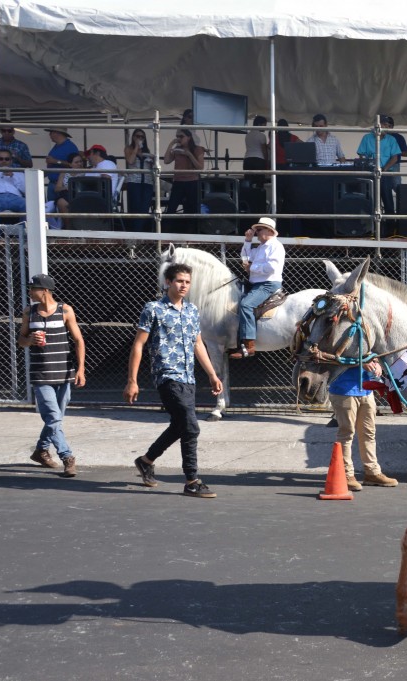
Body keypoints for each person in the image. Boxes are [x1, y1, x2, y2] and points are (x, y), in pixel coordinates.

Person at [124, 262, 223, 498]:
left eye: (187, 282)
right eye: (179, 281)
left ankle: (146, 461)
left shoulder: (192, 311)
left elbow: (198, 344)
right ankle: (192, 480)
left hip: (189, 378)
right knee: (191, 426)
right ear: (168, 282)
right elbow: (139, 344)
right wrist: (132, 380)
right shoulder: (153, 309)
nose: (184, 286)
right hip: (166, 376)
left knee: (180, 425)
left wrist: (212, 374)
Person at [18, 273, 86, 477]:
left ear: (45, 290)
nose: (30, 292)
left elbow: (78, 340)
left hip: (64, 374)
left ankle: (41, 450)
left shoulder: (65, 310)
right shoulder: (29, 312)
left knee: (55, 419)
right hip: (41, 375)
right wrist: (31, 340)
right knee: (54, 417)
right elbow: (21, 340)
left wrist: (81, 369)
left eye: (33, 288)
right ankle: (67, 456)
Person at [328, 359, 398, 490]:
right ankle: (346, 475)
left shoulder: (367, 338)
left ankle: (372, 473)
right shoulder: (339, 339)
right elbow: (333, 359)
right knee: (346, 434)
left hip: (366, 390)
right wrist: (360, 363)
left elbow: (375, 355)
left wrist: (378, 364)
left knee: (369, 433)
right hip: (344, 391)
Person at [230, 217, 284, 359]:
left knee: (246, 304)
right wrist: (247, 240)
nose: (257, 233)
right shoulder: (261, 247)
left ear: (269, 231)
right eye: (257, 230)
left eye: (259, 229)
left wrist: (252, 267)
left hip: (268, 284)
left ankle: (249, 346)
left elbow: (272, 267)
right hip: (257, 283)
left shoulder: (276, 246)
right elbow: (244, 257)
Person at [357, 115, 402, 224]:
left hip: (385, 174)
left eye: (388, 125)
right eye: (384, 124)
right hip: (370, 173)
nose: (386, 127)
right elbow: (361, 154)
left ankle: (391, 228)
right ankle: (369, 228)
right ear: (377, 125)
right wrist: (367, 165)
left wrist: (384, 169)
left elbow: (395, 157)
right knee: (369, 201)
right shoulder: (367, 137)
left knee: (388, 201)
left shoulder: (392, 139)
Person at [163, 129, 205, 232]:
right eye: (177, 136)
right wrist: (171, 144)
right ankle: (166, 232)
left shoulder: (197, 149)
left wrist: (189, 155)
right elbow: (166, 160)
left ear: (189, 137)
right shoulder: (177, 149)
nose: (178, 139)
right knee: (172, 207)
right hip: (178, 182)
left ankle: (191, 234)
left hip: (192, 182)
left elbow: (200, 167)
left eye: (181, 136)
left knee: (191, 209)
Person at [124, 128, 155, 230]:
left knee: (144, 208)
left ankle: (141, 233)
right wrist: (136, 147)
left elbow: (152, 168)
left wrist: (152, 161)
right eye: (138, 136)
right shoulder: (128, 149)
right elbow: (130, 161)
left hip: (147, 182)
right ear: (133, 137)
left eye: (142, 137)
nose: (140, 138)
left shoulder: (147, 151)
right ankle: (135, 234)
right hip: (134, 182)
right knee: (135, 208)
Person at [47, 153, 86, 229]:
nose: (80, 164)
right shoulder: (64, 172)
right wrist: (67, 187)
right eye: (76, 162)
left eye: (81, 161)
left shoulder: (86, 172)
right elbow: (57, 188)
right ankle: (68, 228)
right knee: (61, 202)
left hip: (81, 196)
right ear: (70, 164)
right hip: (67, 195)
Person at [44, 127, 80, 199]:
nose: (49, 135)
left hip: (63, 186)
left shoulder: (70, 147)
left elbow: (75, 165)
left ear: (57, 133)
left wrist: (56, 161)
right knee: (51, 207)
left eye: (51, 133)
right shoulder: (56, 146)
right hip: (52, 182)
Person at [0, 149, 26, 223]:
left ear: (11, 161)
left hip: (15, 197)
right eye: (1, 159)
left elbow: (25, 190)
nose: (4, 161)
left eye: (7, 159)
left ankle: (25, 233)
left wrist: (13, 176)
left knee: (28, 205)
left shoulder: (19, 173)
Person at [384, 116, 407, 203]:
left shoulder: (398, 137)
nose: (386, 127)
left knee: (396, 186)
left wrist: (394, 151)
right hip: (380, 164)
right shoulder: (378, 137)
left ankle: (402, 208)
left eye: (387, 125)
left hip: (394, 165)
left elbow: (406, 153)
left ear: (391, 126)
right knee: (382, 188)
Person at [243, 115, 270, 188]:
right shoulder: (262, 136)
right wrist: (266, 162)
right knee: (260, 182)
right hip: (259, 160)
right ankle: (258, 198)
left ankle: (247, 198)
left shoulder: (248, 135)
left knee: (248, 182)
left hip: (247, 160)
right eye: (264, 125)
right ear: (259, 124)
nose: (265, 127)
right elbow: (264, 151)